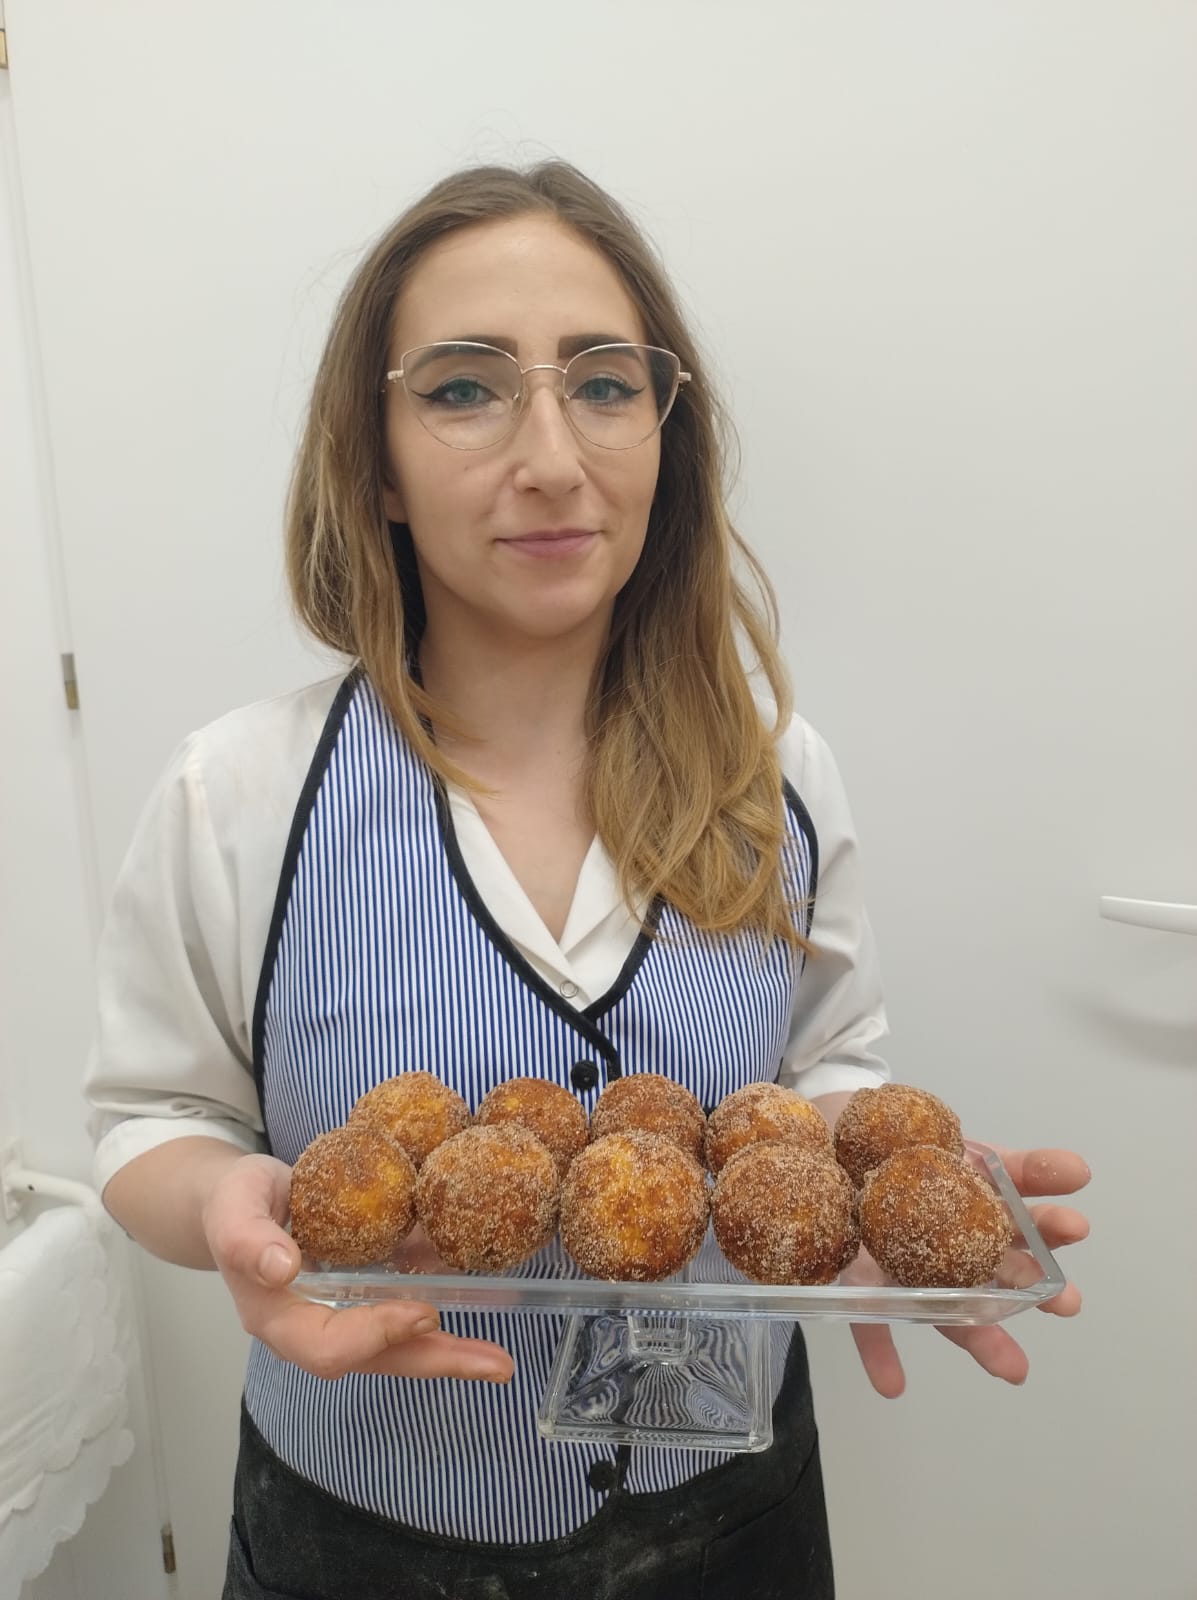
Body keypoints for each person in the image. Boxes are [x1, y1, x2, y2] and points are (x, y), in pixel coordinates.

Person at [84, 161, 1090, 1600]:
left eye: (605, 384)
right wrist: (219, 1203)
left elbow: (826, 1065)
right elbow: (151, 1117)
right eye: (464, 388)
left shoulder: (778, 771)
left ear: (665, 433)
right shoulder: (238, 791)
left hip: (733, 1514)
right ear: (375, 460)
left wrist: (882, 1181)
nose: (553, 456)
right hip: (361, 1532)